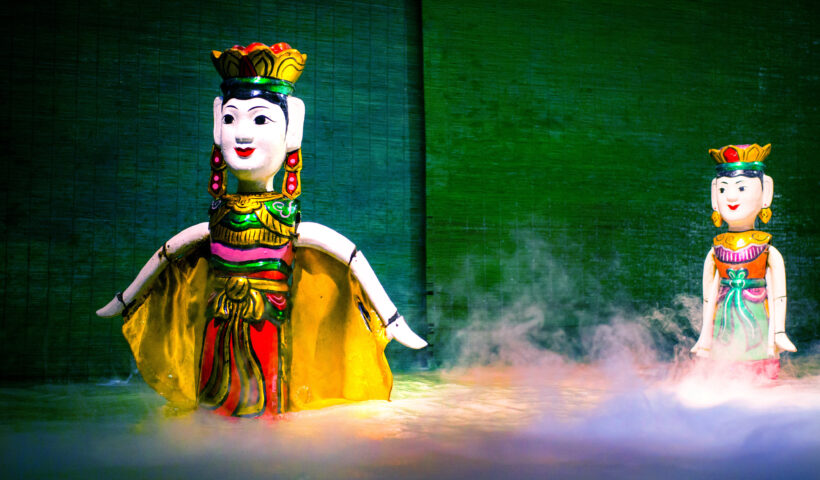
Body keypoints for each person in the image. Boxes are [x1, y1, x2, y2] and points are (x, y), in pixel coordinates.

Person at [98, 42, 426, 417]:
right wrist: (129, 297)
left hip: (267, 328)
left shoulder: (285, 216)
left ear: (293, 129)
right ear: (216, 122)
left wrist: (391, 318)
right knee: (214, 408)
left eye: (259, 120)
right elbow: (170, 251)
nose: (242, 134)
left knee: (265, 408)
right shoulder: (219, 213)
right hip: (217, 325)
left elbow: (346, 253)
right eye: (230, 118)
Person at [691, 143, 796, 378]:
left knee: (755, 360)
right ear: (714, 196)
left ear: (766, 193)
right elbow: (709, 295)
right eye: (723, 189)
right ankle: (720, 369)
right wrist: (705, 335)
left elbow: (779, 294)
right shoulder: (716, 248)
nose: (730, 196)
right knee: (724, 360)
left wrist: (779, 331)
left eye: (741, 187)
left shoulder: (766, 247)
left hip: (757, 313)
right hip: (723, 317)